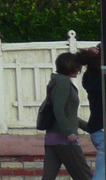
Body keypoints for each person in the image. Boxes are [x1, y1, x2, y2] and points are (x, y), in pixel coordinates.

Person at [46, 52, 92, 180]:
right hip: (65, 139)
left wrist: (89, 127)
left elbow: (68, 114)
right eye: (77, 66)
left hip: (52, 137)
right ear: (70, 66)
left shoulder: (56, 82)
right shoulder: (63, 83)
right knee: (84, 175)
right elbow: (58, 109)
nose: (79, 69)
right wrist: (68, 132)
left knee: (48, 177)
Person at [84, 47, 105, 180]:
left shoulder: (89, 76)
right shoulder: (100, 78)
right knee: (101, 172)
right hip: (102, 129)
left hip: (97, 129)